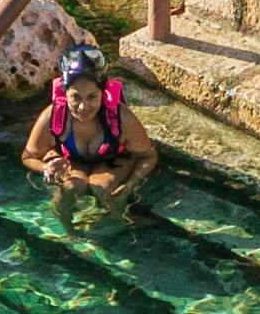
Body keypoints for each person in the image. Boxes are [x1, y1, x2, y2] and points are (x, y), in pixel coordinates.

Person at [21, 43, 158, 212]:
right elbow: (27, 156)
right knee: (70, 189)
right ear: (65, 93)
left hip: (112, 160)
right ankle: (67, 232)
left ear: (103, 92)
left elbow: (148, 156)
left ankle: (118, 223)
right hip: (71, 161)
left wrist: (131, 184)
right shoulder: (52, 118)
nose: (83, 107)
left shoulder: (122, 118)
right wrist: (46, 168)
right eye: (76, 97)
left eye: (92, 96)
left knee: (103, 187)